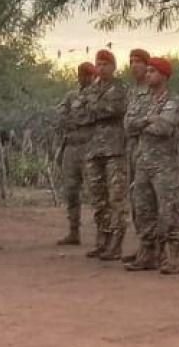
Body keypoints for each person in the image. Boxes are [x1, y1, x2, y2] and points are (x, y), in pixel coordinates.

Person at [124, 57, 179, 274]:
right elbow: (128, 125)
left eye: (152, 71)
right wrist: (148, 120)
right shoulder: (142, 100)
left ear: (164, 75)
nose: (147, 74)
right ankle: (147, 253)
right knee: (143, 209)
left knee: (168, 210)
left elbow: (164, 128)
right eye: (147, 71)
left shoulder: (174, 101)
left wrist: (145, 122)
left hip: (165, 165)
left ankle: (171, 256)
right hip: (143, 161)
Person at [80, 50, 129, 260]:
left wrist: (94, 108)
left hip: (114, 149)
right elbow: (80, 114)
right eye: (98, 64)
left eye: (105, 64)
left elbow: (115, 109)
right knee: (98, 198)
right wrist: (95, 109)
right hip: (93, 149)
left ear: (113, 67)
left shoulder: (120, 89)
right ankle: (102, 240)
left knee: (116, 198)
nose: (101, 68)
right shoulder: (90, 89)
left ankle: (116, 244)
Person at [53, 61, 97, 246]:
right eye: (80, 73)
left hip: (89, 146)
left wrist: (76, 118)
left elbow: (91, 116)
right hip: (71, 147)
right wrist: (72, 120)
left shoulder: (97, 95)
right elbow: (59, 114)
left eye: (86, 73)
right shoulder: (72, 95)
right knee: (70, 190)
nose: (82, 77)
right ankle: (73, 231)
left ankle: (103, 235)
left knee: (96, 191)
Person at [122, 48, 151, 263]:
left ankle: (154, 247)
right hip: (133, 149)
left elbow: (149, 121)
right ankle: (143, 244)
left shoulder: (154, 90)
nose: (134, 65)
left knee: (150, 200)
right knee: (136, 199)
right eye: (131, 61)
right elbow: (128, 123)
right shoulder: (132, 91)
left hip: (150, 151)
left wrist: (137, 124)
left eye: (138, 61)